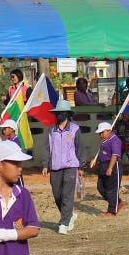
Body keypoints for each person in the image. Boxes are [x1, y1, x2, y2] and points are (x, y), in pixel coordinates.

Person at [41, 100, 85, 235]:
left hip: (71, 166)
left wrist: (82, 166)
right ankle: (69, 215)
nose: (60, 114)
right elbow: (47, 149)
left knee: (67, 195)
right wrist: (45, 165)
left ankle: (64, 224)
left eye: (63, 112)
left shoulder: (75, 129)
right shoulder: (51, 130)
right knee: (57, 195)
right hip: (54, 167)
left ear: (68, 114)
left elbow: (80, 148)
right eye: (58, 112)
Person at [91, 122, 124, 217]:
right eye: (99, 133)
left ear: (109, 131)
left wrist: (110, 168)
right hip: (103, 165)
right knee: (100, 186)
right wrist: (95, 160)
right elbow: (103, 153)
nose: (100, 135)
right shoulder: (105, 141)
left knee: (112, 189)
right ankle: (118, 202)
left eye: (102, 132)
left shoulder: (115, 140)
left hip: (113, 165)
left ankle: (112, 210)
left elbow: (115, 155)